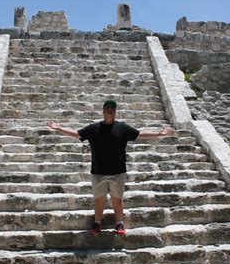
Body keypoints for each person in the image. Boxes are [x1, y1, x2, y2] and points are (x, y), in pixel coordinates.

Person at [47, 100, 174, 235]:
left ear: (115, 111)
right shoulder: (93, 128)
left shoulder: (122, 128)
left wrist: (160, 134)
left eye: (112, 108)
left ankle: (119, 223)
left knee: (117, 199)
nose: (109, 110)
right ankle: (97, 223)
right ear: (103, 110)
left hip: (117, 172)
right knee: (99, 199)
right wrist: (58, 128)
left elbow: (140, 134)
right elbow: (76, 134)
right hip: (98, 172)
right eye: (107, 108)